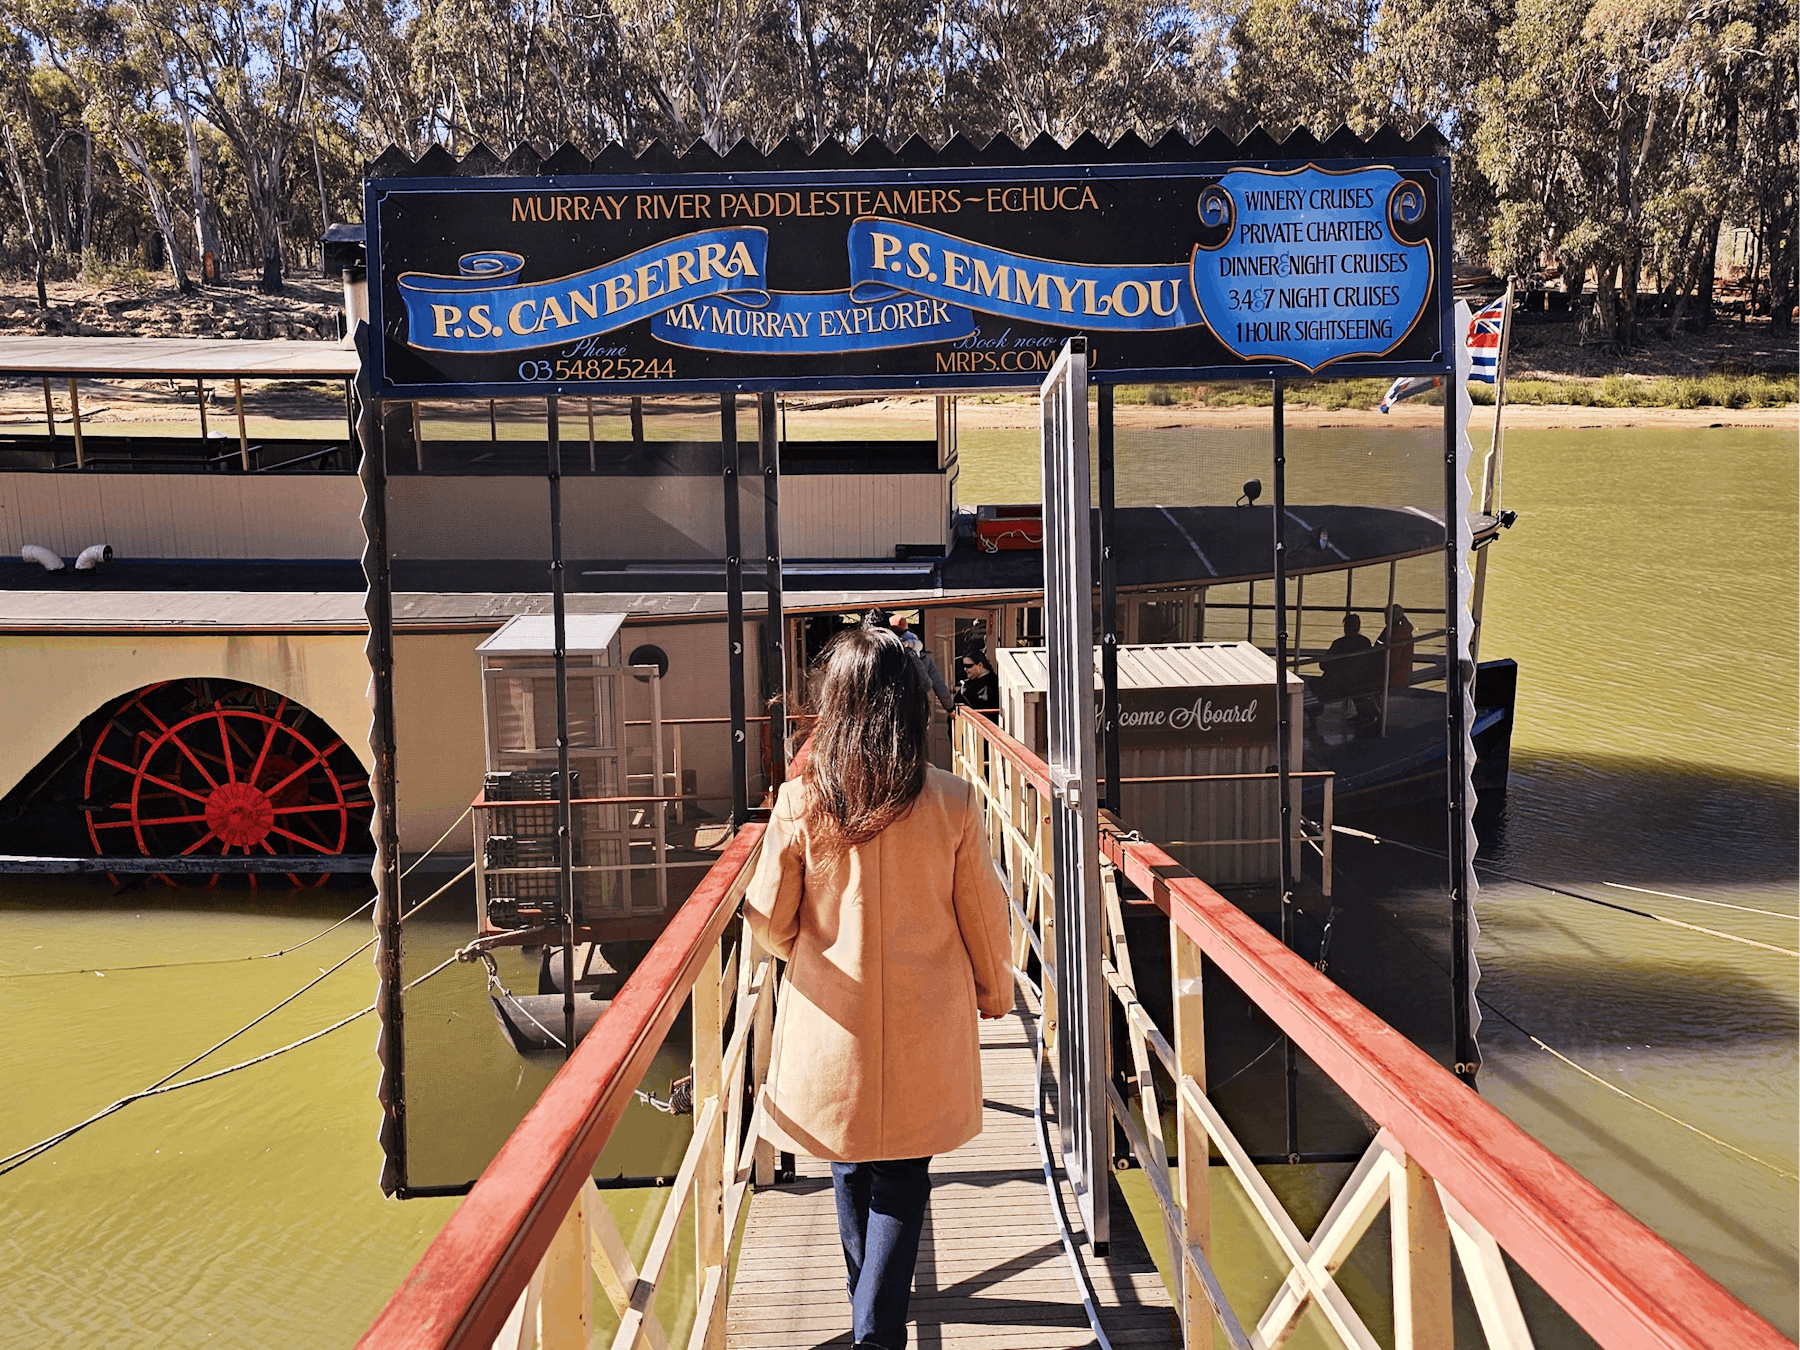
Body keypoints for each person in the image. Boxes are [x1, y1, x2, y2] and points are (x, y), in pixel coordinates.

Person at [745, 623, 1012, 1350]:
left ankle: (869, 1322)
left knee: (848, 1167)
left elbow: (768, 917)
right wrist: (995, 990)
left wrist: (803, 945)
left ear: (838, 704)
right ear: (909, 709)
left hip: (833, 1023)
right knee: (903, 1179)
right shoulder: (952, 802)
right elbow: (982, 915)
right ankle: (876, 1331)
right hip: (926, 1027)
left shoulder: (802, 803)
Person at [865, 607, 954, 713]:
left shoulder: (871, 653)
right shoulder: (917, 654)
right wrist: (950, 708)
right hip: (911, 708)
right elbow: (934, 684)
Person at [1323, 613, 1380, 729]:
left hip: (1342, 683)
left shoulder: (1339, 644)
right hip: (1363, 681)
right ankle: (1366, 712)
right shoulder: (1366, 642)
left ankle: (1312, 716)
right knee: (1355, 682)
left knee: (1317, 685)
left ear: (1345, 628)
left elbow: (1323, 664)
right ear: (1358, 627)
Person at [1377, 604, 1415, 690]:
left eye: (1387, 616)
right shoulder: (1399, 629)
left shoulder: (1398, 634)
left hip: (1395, 678)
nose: (1385, 619)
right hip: (1404, 673)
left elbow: (1393, 660)